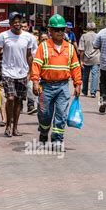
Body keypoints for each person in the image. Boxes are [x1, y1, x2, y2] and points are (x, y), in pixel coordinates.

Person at [31, 14, 82, 149]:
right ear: (50, 31)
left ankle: (57, 140)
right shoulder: (43, 46)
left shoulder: (70, 48)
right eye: (56, 30)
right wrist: (35, 82)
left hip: (63, 86)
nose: (60, 32)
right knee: (44, 114)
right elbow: (36, 65)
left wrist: (77, 84)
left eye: (62, 29)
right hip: (46, 86)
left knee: (61, 114)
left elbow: (75, 67)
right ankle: (43, 132)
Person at [0, 13, 34, 137]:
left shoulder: (28, 37)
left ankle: (15, 128)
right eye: (14, 22)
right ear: (10, 24)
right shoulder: (3, 36)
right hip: (7, 72)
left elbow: (29, 55)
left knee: (18, 101)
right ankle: (8, 125)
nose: (17, 24)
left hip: (22, 73)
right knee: (11, 98)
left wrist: (31, 72)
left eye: (19, 21)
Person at [21, 20, 39, 115]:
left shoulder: (32, 38)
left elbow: (35, 52)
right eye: (22, 26)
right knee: (20, 86)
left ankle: (30, 105)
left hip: (30, 64)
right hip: (18, 67)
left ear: (28, 27)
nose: (23, 28)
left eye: (25, 27)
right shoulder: (17, 37)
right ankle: (19, 105)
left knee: (30, 85)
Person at [78, 22, 100, 98]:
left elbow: (81, 50)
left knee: (85, 75)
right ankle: (93, 92)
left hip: (86, 58)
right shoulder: (98, 36)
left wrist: (81, 60)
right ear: (95, 28)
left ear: (87, 28)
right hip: (96, 58)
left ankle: (84, 91)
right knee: (95, 75)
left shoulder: (84, 36)